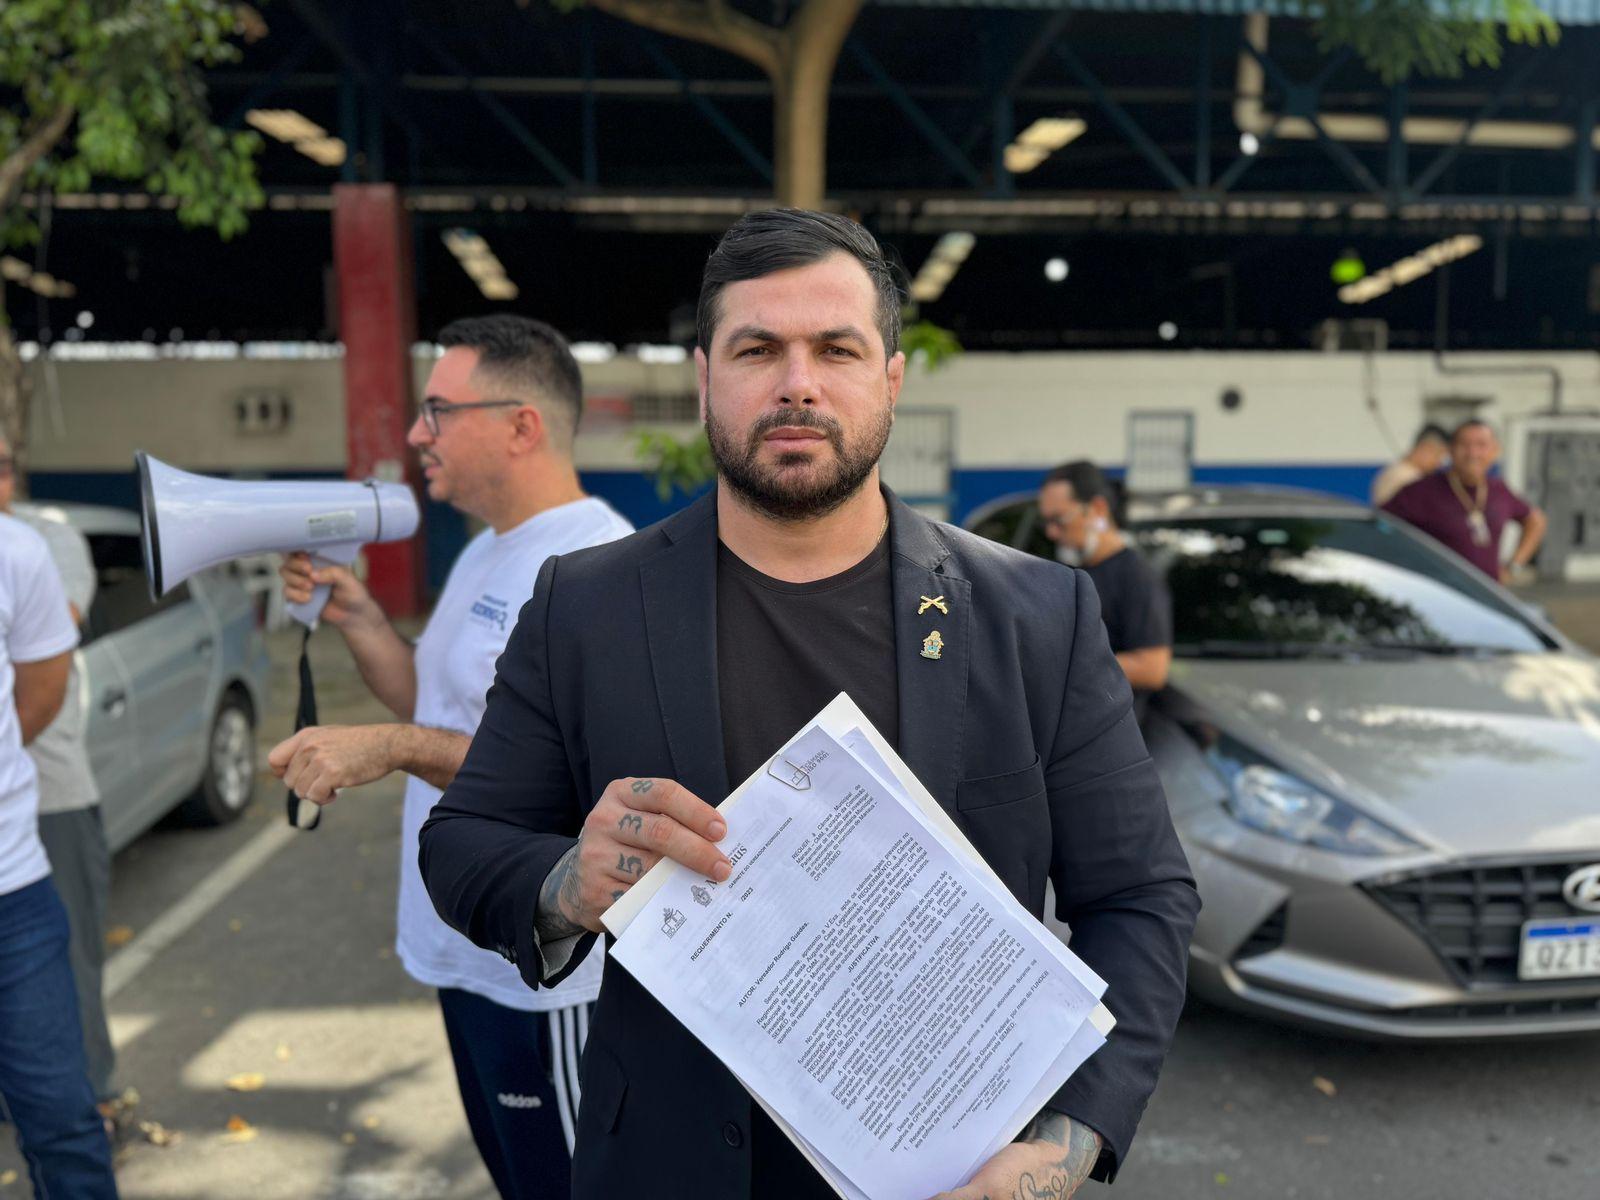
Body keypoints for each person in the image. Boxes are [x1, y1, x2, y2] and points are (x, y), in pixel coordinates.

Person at [419, 209, 1200, 1200]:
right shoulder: (586, 606)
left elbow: (1139, 897)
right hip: (662, 1166)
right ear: (704, 378)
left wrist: (1059, 1149)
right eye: (757, 350)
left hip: (951, 1176)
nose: (798, 382)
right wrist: (569, 882)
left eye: (837, 349)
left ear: (891, 378)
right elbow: (463, 840)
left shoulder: (1034, 615)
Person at [266, 315, 633, 1199]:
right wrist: (360, 617)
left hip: (544, 974)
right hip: (465, 951)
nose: (414, 434)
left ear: (521, 426)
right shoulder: (483, 550)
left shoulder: (596, 565)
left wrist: (390, 750)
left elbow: (563, 783)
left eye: (438, 411)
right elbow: (430, 701)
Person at [0, 439, 122, 1133]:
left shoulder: (47, 541)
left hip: (51, 792)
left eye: (5, 463)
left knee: (67, 957)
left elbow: (47, 645)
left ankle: (93, 1099)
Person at [1037, 460, 1172, 710]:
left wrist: (1066, 664)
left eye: (1059, 519)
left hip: (1113, 721)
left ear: (1098, 508)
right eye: (1046, 522)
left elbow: (1153, 668)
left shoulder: (1136, 576)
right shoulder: (1069, 572)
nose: (1051, 533)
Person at [1383, 418, 1547, 583]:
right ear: (1450, 450)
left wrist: (1514, 566)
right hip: (1438, 591)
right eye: (1464, 445)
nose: (1472, 453)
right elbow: (1379, 526)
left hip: (1487, 591)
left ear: (1495, 451)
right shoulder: (1421, 491)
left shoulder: (1498, 490)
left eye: (1481, 445)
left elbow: (1535, 520)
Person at [1370, 424, 1450, 506]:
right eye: (1439, 456)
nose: (1439, 464)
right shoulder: (1408, 478)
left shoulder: (1398, 470)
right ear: (1427, 448)